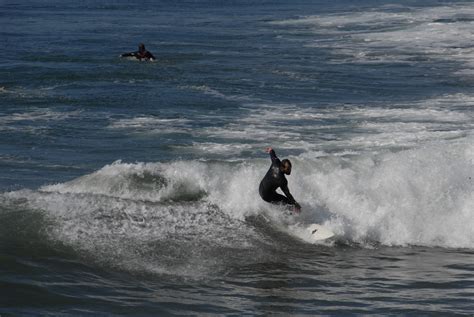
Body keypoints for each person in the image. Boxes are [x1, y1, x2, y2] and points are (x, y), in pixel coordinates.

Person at [259, 147, 301, 212]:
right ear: (283, 167)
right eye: (288, 169)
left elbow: (273, 155)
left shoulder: (276, 162)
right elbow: (288, 194)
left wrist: (270, 150)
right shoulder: (282, 180)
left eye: (290, 168)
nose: (290, 171)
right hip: (266, 196)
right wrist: (295, 203)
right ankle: (287, 215)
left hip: (261, 188)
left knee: (276, 195)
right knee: (288, 202)